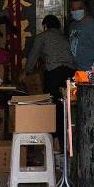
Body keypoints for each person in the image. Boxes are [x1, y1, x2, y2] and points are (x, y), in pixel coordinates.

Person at [24, 15, 74, 143]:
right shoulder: (65, 38)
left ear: (45, 25)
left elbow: (33, 55)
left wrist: (26, 72)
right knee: (67, 106)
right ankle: (66, 141)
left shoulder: (43, 36)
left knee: (54, 106)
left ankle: (56, 139)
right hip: (70, 73)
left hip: (54, 73)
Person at [67, 0, 94, 70]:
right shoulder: (72, 26)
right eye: (73, 9)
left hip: (90, 71)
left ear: (85, 9)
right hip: (75, 69)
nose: (76, 11)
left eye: (79, 8)